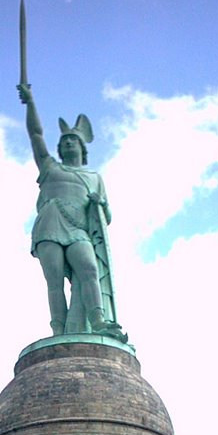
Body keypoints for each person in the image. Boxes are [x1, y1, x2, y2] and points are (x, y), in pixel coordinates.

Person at [17, 82, 126, 342]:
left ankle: (98, 321)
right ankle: (59, 329)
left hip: (78, 229)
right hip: (50, 225)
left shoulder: (94, 177)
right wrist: (30, 102)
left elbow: (105, 217)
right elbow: (35, 134)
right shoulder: (50, 168)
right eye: (64, 141)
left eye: (72, 141)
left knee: (88, 269)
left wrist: (99, 203)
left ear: (81, 148)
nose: (67, 144)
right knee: (54, 281)